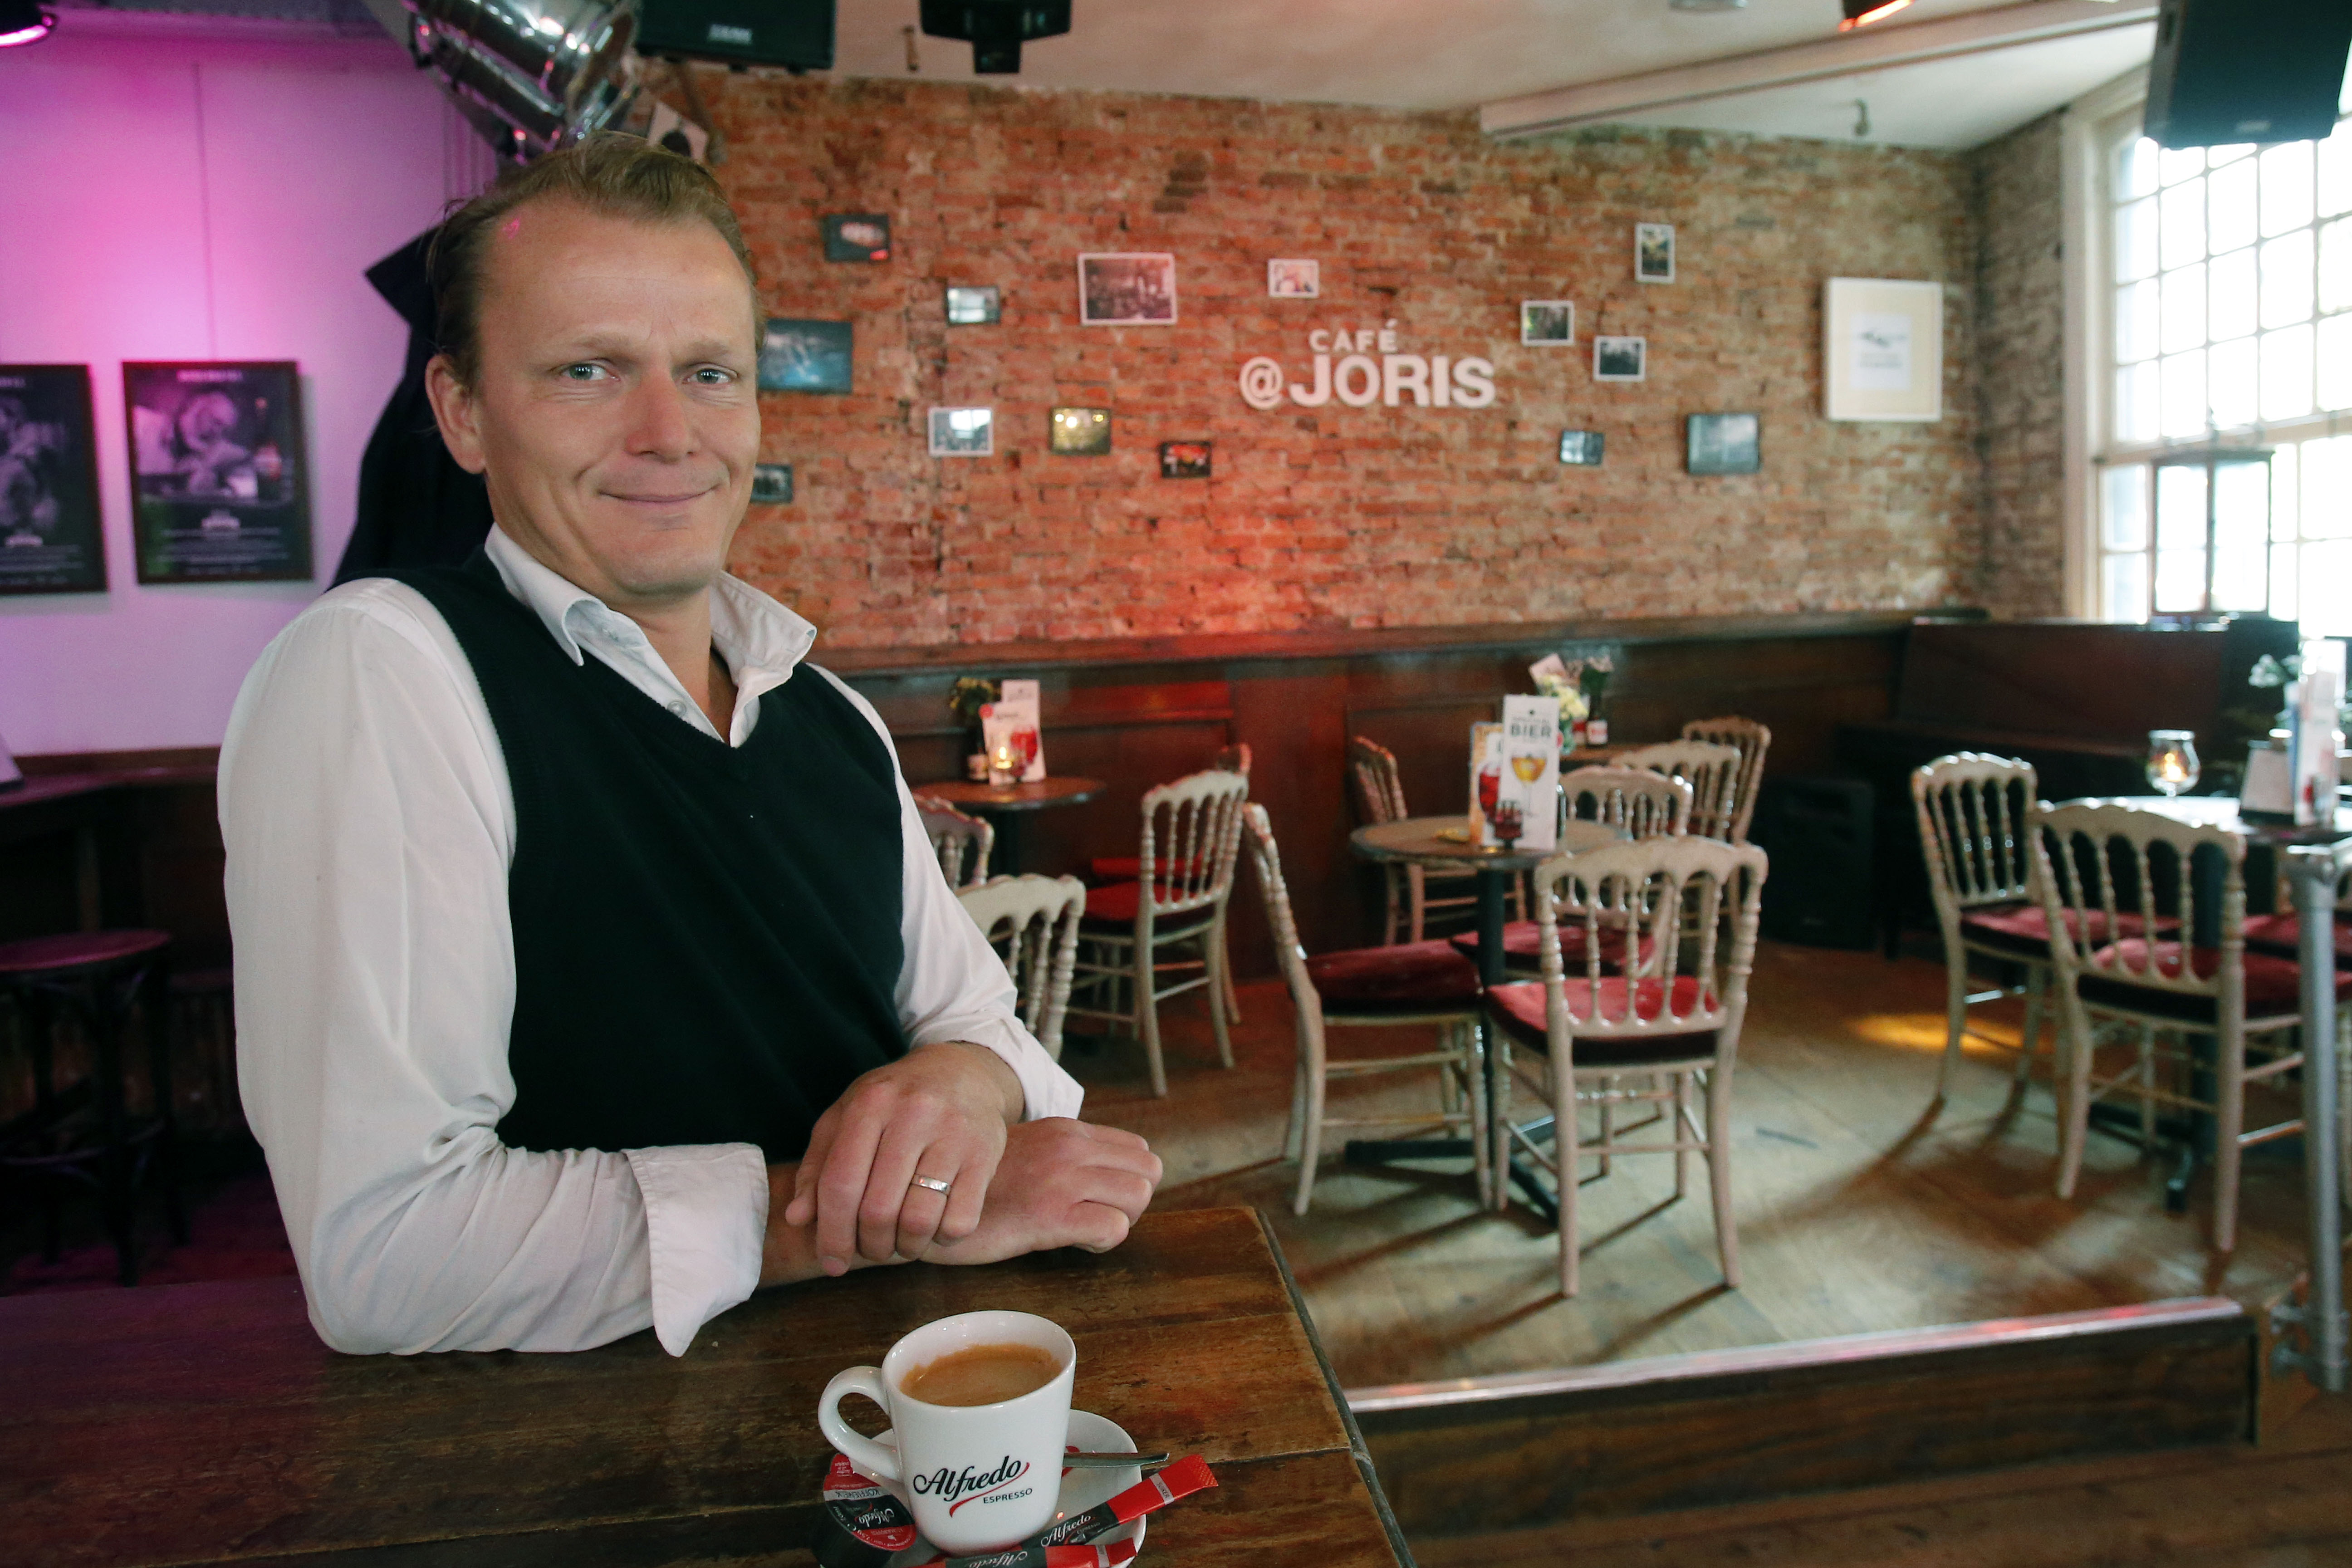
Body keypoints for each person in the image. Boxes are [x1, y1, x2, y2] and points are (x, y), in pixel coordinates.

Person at [220, 135, 1160, 1357]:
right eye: (589, 369)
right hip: (594, 1491)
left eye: (711, 372)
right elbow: (388, 1257)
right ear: (462, 413)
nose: (669, 431)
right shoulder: (387, 666)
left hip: (894, 1437)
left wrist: (961, 1086)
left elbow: (997, 1040)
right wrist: (871, 1215)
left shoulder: (828, 714)